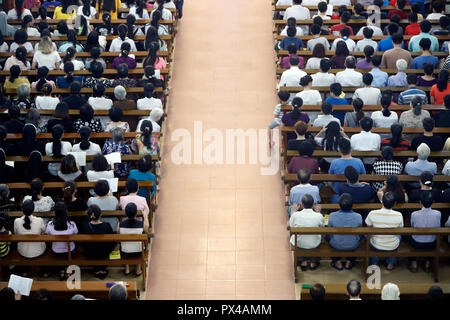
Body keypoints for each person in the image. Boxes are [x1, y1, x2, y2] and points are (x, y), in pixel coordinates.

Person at [365, 192, 403, 270]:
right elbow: (400, 230)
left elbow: (368, 228)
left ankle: (374, 262)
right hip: (392, 245)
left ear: (382, 201)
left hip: (376, 244)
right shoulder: (399, 215)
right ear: (394, 203)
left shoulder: (372, 213)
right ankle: (390, 263)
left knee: (367, 235)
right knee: (399, 236)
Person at [406, 191, 441, 273]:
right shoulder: (438, 214)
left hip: (416, 242)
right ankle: (427, 264)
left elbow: (412, 226)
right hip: (432, 242)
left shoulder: (414, 214)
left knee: (406, 236)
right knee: (434, 239)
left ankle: (413, 263)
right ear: (433, 202)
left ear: (420, 202)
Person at [327, 193, 363, 270]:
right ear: (352, 204)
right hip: (353, 245)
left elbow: (329, 233)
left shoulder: (332, 215)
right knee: (358, 239)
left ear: (339, 204)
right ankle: (349, 261)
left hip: (336, 244)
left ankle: (337, 261)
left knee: (328, 238)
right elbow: (360, 235)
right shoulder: (358, 216)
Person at [289, 194, 325, 271]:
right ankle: (313, 262)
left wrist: (294, 211)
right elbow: (322, 227)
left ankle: (303, 261)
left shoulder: (296, 215)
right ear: (313, 205)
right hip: (314, 243)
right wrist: (318, 212)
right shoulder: (318, 216)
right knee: (317, 238)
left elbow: (291, 227)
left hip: (299, 243)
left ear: (301, 204)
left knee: (300, 238)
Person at [80, 204, 115, 279]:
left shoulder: (84, 225)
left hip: (90, 253)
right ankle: (101, 268)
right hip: (104, 253)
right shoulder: (106, 225)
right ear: (100, 214)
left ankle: (97, 269)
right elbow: (113, 241)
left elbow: (82, 242)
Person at [45, 201, 78, 280]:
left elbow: (47, 234)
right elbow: (76, 234)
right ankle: (67, 269)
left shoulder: (50, 225)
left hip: (56, 252)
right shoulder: (72, 224)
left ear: (55, 212)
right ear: (66, 212)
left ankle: (62, 270)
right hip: (70, 252)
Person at [118, 202, 148, 276]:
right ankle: (138, 269)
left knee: (123, 244)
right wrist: (145, 216)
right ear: (136, 213)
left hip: (124, 252)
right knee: (141, 244)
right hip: (139, 252)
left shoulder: (120, 224)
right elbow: (147, 229)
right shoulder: (141, 224)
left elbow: (118, 236)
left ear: (125, 213)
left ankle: (127, 268)